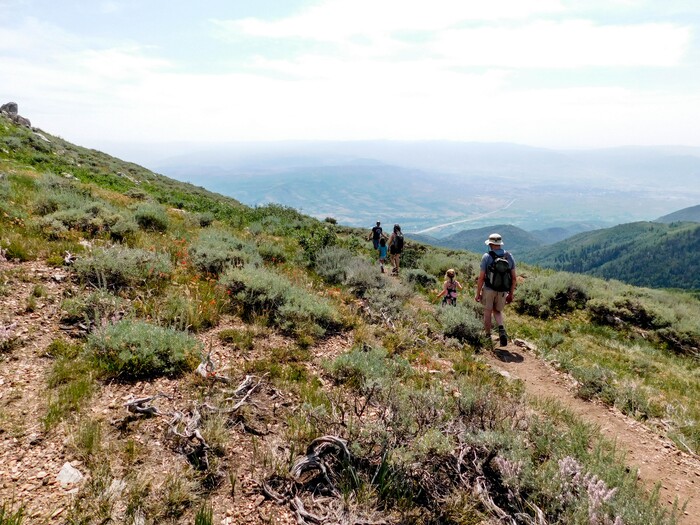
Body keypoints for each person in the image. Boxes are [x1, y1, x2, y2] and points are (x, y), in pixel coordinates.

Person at [475, 233, 516, 346]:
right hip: (503, 290)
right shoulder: (509, 256)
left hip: (489, 289)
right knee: (497, 311)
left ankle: (488, 336)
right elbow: (514, 278)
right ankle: (501, 328)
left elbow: (481, 277)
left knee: (488, 312)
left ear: (491, 244)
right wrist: (511, 294)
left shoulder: (487, 257)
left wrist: (478, 293)